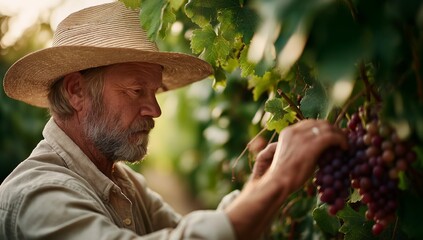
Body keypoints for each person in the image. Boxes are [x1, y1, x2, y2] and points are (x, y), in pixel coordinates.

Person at [0, 2, 347, 240]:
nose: (155, 110)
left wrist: (261, 184)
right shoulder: (39, 195)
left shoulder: (122, 183)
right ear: (76, 91)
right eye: (137, 90)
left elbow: (186, 232)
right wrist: (280, 181)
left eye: (155, 93)